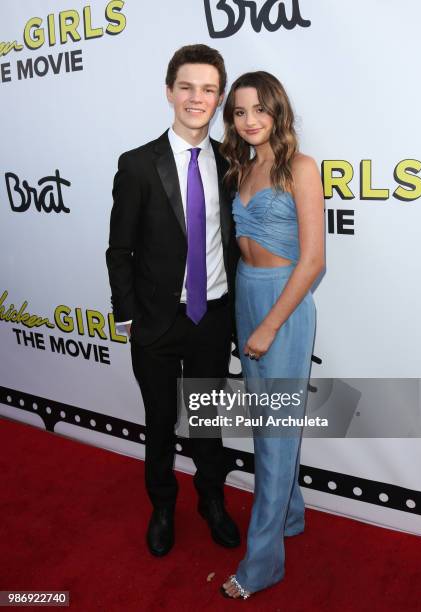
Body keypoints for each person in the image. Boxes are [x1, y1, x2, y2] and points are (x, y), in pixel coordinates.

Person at [106, 44, 241, 557]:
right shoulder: (138, 165)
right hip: (157, 323)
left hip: (213, 319)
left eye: (208, 89)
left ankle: (212, 500)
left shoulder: (232, 163)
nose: (196, 98)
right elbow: (120, 250)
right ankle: (163, 505)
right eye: (187, 87)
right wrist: (129, 317)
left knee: (208, 422)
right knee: (160, 420)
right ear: (169, 91)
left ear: (219, 97)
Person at [219, 71, 325, 598]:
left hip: (283, 303)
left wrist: (269, 323)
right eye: (239, 112)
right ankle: (290, 517)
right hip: (247, 293)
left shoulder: (299, 168)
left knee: (276, 431)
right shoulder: (243, 167)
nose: (250, 120)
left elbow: (312, 263)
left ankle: (263, 564)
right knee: (269, 425)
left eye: (259, 109)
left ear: (277, 111)